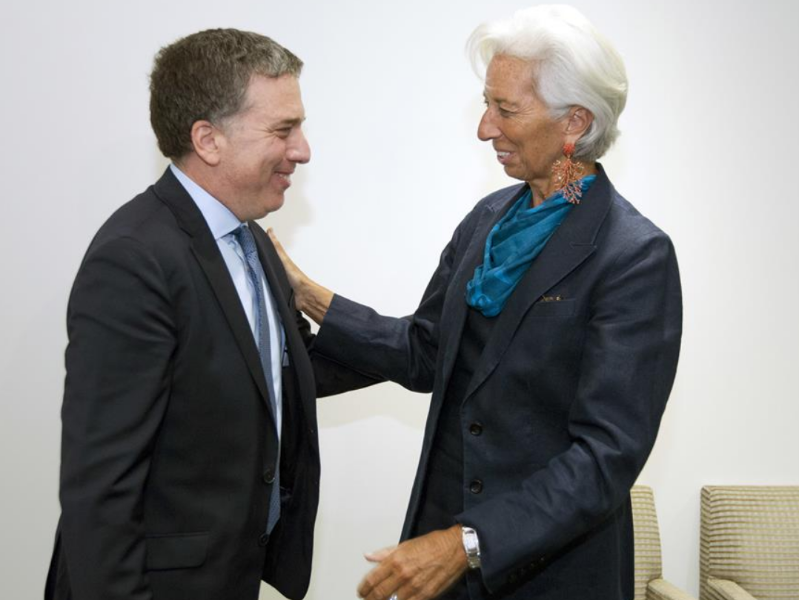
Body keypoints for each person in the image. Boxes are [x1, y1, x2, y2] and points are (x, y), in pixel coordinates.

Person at [270, 5, 683, 600]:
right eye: (487, 105)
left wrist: (466, 542)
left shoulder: (633, 257)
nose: (485, 128)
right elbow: (426, 351)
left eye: (505, 110)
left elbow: (604, 458)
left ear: (575, 122)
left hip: (549, 574)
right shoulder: (489, 219)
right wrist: (309, 296)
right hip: (445, 554)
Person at [44, 28, 371, 600]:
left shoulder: (251, 240)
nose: (303, 150)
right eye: (283, 130)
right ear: (208, 139)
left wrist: (432, 345)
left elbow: (282, 370)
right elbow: (101, 489)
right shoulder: (135, 258)